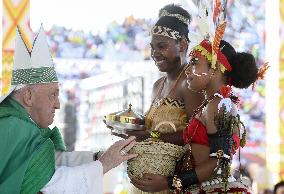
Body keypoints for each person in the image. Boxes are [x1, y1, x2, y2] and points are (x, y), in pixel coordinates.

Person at [0, 26, 137, 194]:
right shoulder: (18, 129)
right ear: (28, 96)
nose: (58, 104)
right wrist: (105, 163)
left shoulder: (13, 123)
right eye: (52, 95)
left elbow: (53, 163)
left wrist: (98, 158)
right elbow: (51, 185)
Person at [130, 27, 266, 194]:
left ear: (215, 69)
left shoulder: (218, 104)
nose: (187, 70)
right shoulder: (215, 102)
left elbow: (218, 162)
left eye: (194, 63)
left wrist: (169, 182)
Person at [112, 4, 203, 194]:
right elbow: (152, 131)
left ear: (183, 45)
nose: (154, 53)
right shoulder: (157, 85)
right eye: (152, 47)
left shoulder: (190, 83)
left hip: (173, 182)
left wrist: (150, 136)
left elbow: (197, 136)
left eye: (162, 46)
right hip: (149, 181)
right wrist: (130, 130)